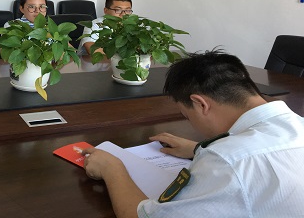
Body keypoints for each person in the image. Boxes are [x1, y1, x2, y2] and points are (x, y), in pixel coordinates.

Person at [82, 50, 304, 218]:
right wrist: (197, 148)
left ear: (200, 104)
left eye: (187, 116)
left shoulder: (226, 160)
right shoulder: (296, 123)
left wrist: (113, 169)